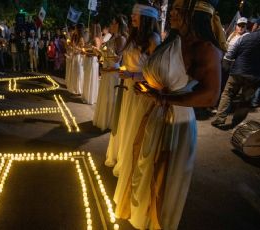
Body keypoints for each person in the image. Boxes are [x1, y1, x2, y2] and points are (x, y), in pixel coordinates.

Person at [118, 0, 224, 229]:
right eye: (173, 9)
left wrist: (163, 99)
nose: (172, 14)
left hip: (176, 120)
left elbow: (210, 96)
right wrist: (151, 89)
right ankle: (140, 216)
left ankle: (156, 221)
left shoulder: (204, 48)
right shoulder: (172, 40)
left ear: (194, 15)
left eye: (179, 10)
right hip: (156, 112)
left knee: (164, 176)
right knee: (145, 168)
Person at [104, 2, 161, 172]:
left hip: (140, 89)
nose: (131, 17)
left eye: (135, 14)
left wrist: (134, 76)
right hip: (126, 86)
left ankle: (129, 163)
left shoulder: (153, 39)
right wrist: (119, 68)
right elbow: (128, 61)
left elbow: (157, 72)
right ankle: (121, 155)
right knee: (123, 122)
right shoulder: (132, 36)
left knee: (133, 125)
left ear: (146, 17)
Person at [211, 17, 260, 127]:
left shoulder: (246, 37)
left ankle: (219, 119)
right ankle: (236, 123)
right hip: (254, 75)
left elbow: (232, 53)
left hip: (237, 71)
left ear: (257, 26)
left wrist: (227, 63)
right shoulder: (244, 36)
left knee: (227, 94)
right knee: (245, 100)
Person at [93, 16, 128, 131]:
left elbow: (119, 61)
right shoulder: (112, 38)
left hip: (112, 72)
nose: (111, 25)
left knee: (110, 98)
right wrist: (99, 52)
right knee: (104, 97)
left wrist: (108, 68)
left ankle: (109, 122)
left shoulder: (121, 39)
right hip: (106, 71)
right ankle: (103, 120)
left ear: (118, 25)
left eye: (113, 23)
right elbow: (107, 55)